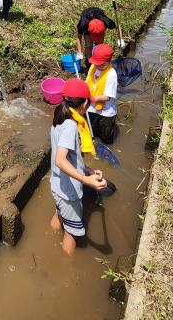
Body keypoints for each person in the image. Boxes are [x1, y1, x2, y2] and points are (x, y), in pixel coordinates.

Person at [49, 78, 107, 254]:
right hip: (69, 190)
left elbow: (70, 156)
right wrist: (85, 180)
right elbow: (60, 159)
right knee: (73, 233)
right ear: (85, 103)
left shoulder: (60, 115)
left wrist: (87, 170)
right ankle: (66, 267)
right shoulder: (71, 126)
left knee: (60, 214)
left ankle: (49, 239)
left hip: (57, 185)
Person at [86, 43, 118, 144]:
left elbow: (107, 97)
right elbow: (87, 82)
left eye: (102, 64)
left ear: (108, 61)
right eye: (96, 63)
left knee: (106, 135)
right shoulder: (93, 67)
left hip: (106, 111)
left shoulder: (111, 74)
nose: (98, 66)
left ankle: (107, 148)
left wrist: (93, 98)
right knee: (92, 132)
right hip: (92, 108)